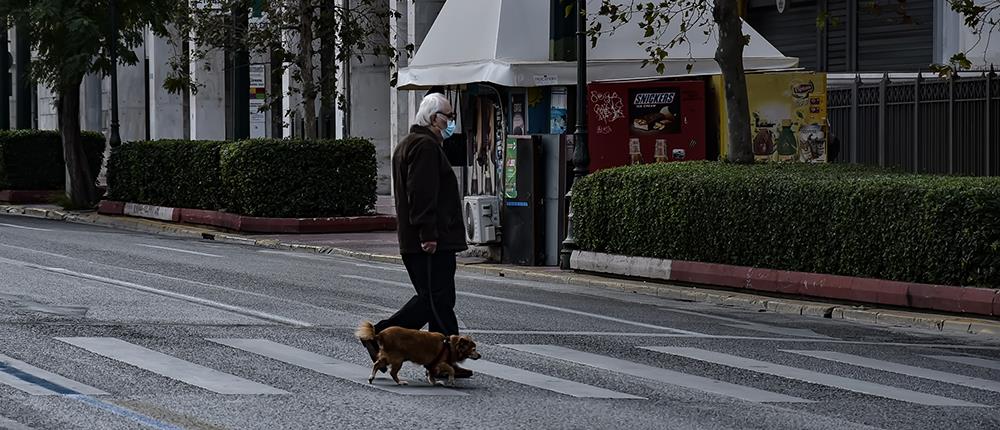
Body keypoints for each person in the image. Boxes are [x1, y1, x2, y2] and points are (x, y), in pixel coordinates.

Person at [360, 92, 472, 378]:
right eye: (448, 116)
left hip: (424, 238)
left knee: (437, 300)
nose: (451, 122)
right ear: (434, 118)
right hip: (430, 240)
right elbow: (421, 194)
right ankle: (383, 335)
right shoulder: (424, 146)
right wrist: (428, 234)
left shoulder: (414, 143)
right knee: (436, 298)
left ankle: (440, 361)